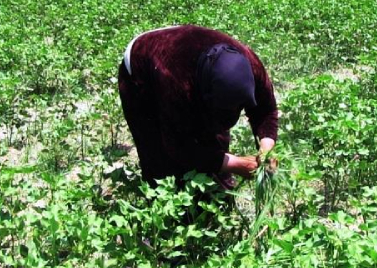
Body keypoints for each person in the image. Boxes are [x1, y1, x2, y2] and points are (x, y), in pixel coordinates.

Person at [118, 25, 278, 189]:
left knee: (214, 145)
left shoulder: (251, 66)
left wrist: (265, 149)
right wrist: (236, 163)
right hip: (140, 72)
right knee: (160, 160)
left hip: (188, 50)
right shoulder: (175, 83)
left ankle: (216, 195)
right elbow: (178, 146)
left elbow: (266, 110)